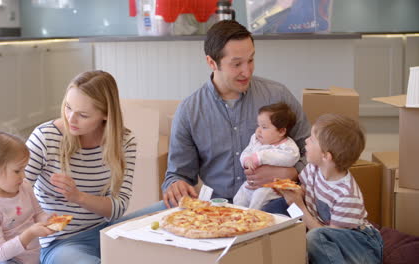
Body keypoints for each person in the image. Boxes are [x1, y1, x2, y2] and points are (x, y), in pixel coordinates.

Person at [161, 19, 311, 214]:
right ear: (211, 62)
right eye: (237, 64)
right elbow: (177, 174)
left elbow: (314, 153)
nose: (247, 71)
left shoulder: (278, 96)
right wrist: (176, 185)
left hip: (275, 205)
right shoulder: (189, 111)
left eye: (251, 60)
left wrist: (290, 173)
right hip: (216, 211)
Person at [24, 70, 137, 264]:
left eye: (83, 115)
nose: (71, 119)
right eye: (68, 107)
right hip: (61, 243)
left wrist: (79, 197)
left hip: (107, 232)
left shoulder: (124, 141)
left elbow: (118, 207)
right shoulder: (45, 137)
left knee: (172, 209)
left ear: (106, 115)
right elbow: (11, 194)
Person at [279, 114, 383, 263]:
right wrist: (293, 194)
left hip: (360, 245)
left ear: (326, 156)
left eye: (312, 139)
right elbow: (303, 191)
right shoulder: (313, 168)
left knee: (315, 238)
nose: (306, 140)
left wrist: (298, 206)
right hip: (322, 230)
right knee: (278, 206)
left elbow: (328, 237)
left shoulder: (347, 196)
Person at [0, 131, 55, 264]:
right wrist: (30, 233)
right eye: (17, 171)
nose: (24, 176)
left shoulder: (24, 187)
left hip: (30, 256)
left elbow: (38, 214)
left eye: (24, 169)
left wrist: (49, 220)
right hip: (2, 259)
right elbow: (0, 253)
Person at [233, 102, 300, 209]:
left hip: (272, 187)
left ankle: (254, 218)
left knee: (259, 197)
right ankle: (238, 217)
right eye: (258, 125)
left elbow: (290, 159)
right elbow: (246, 152)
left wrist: (260, 157)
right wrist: (246, 160)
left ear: (281, 131)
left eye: (264, 127)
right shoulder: (256, 140)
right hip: (252, 182)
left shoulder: (288, 147)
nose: (258, 130)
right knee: (239, 197)